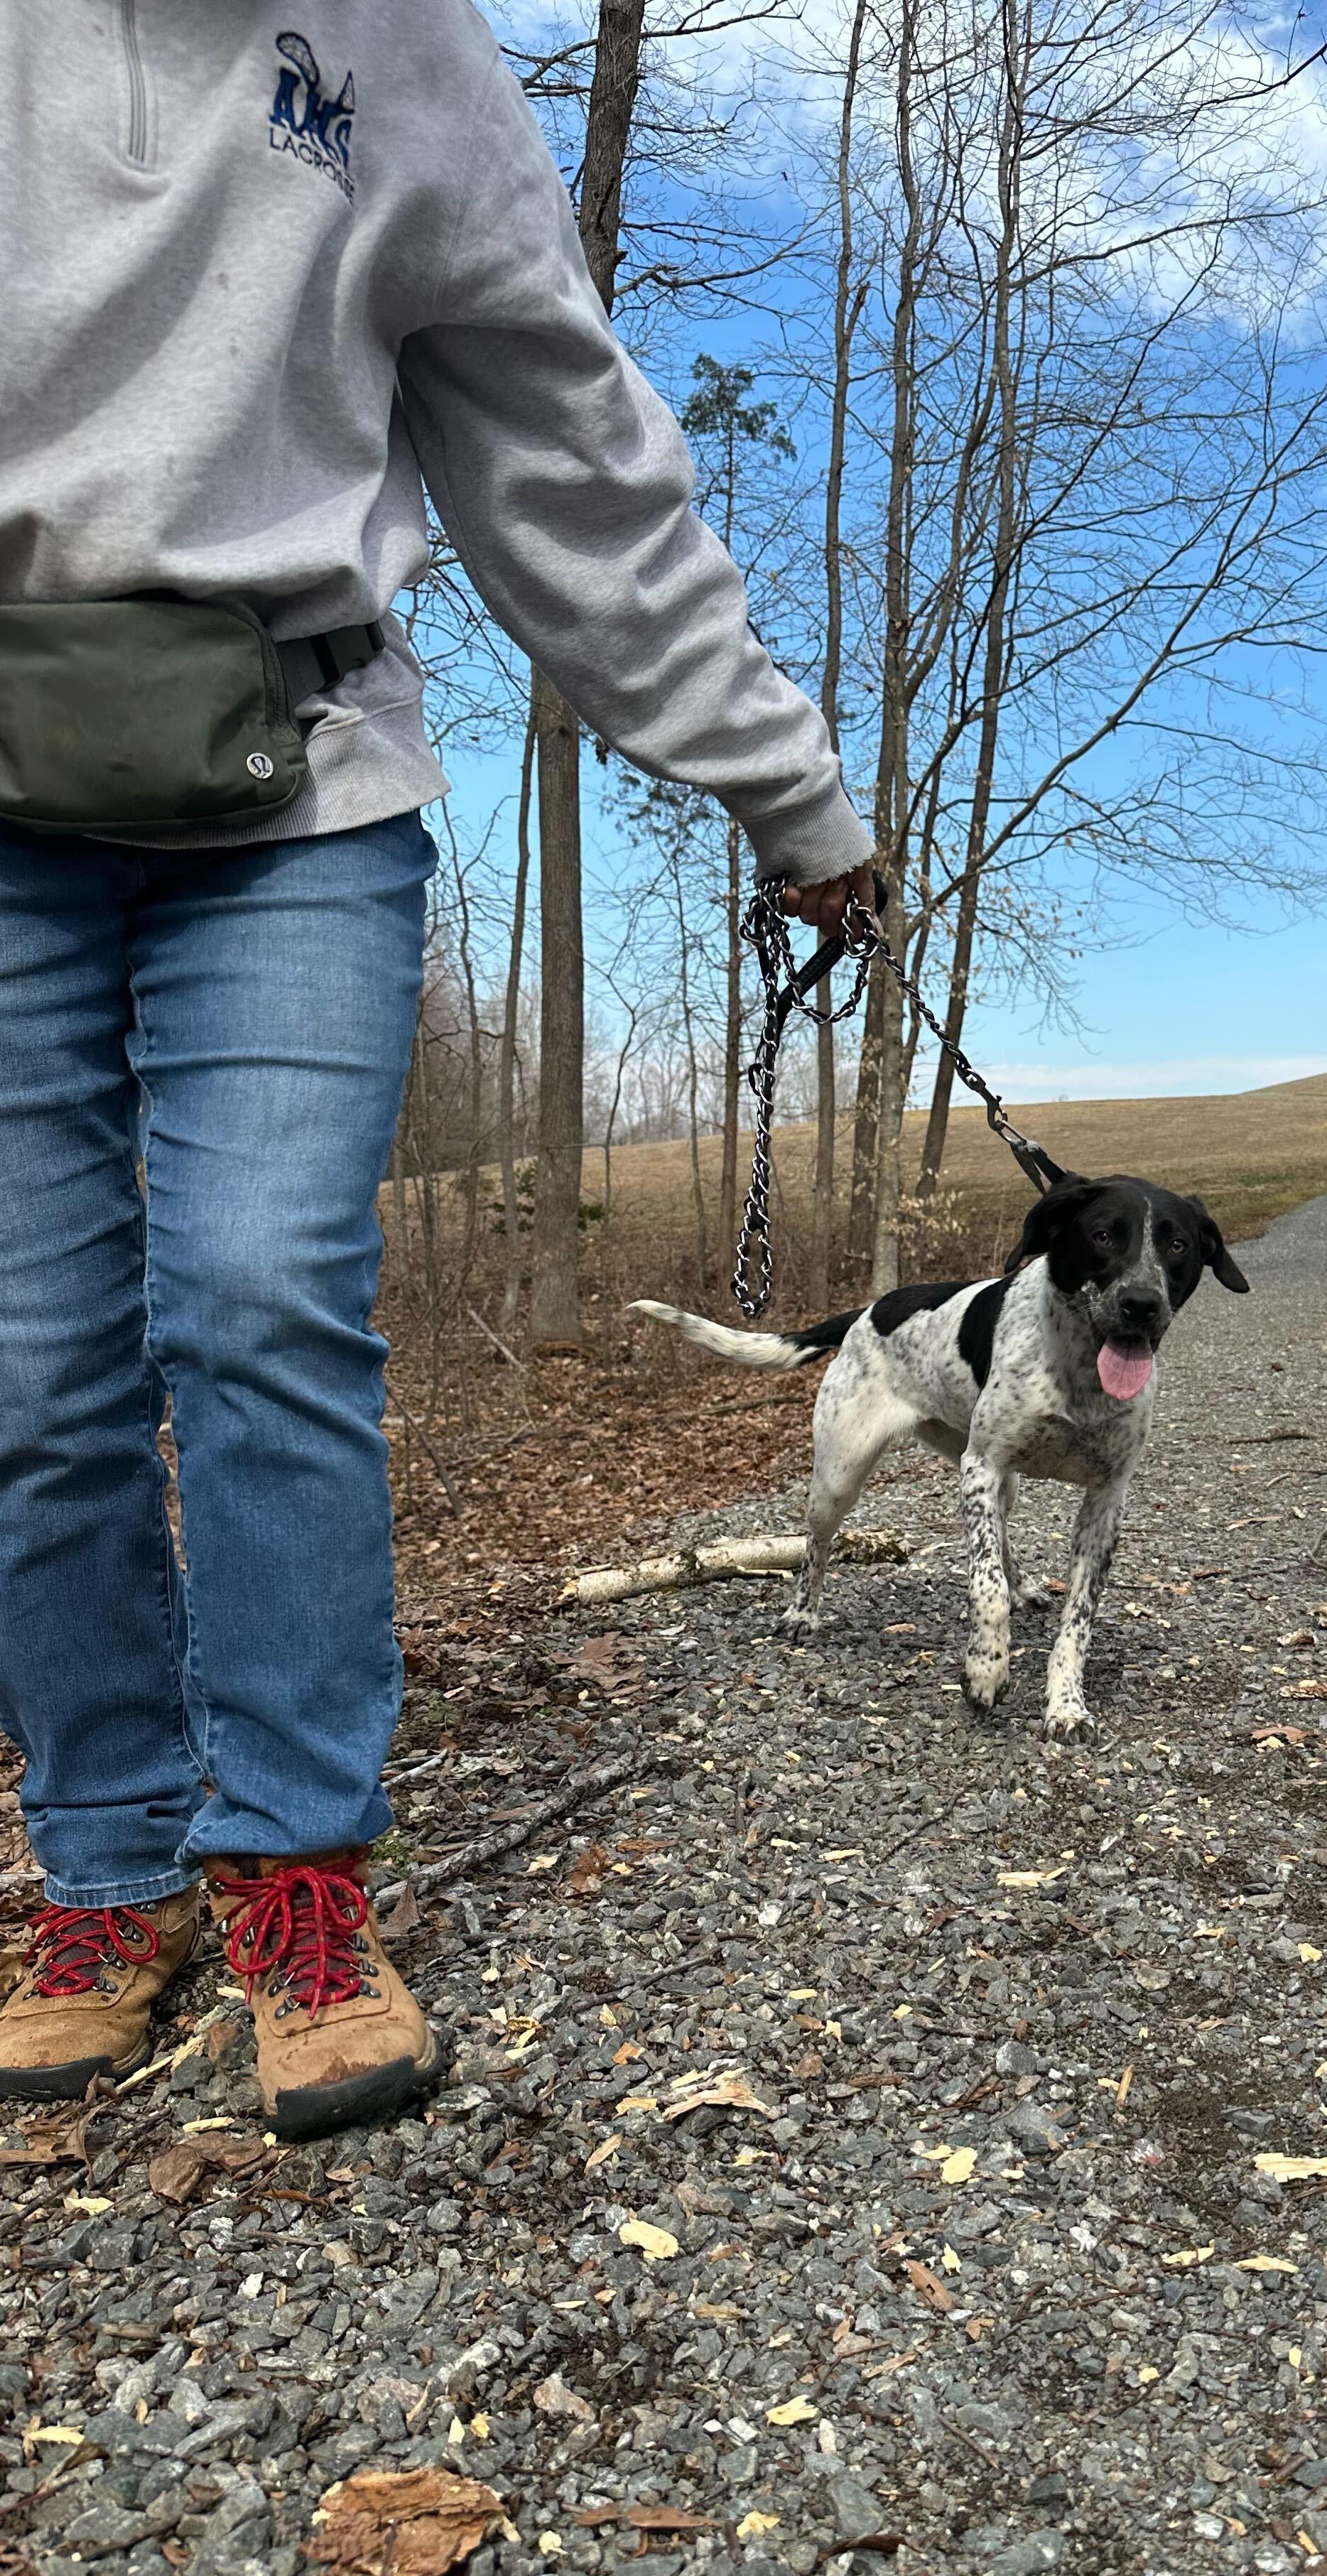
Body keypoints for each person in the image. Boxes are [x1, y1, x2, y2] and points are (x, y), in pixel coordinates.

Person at [0, 7, 872, 2136]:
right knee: (32, 1361)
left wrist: (789, 792)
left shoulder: (399, 45)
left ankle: (297, 1869)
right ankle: (106, 1873)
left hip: (294, 781)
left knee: (264, 1293)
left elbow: (560, 448)